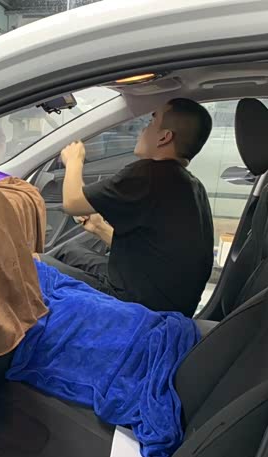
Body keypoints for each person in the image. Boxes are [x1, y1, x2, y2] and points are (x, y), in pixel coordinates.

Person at [38, 98, 214, 317]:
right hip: (161, 299)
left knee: (34, 265)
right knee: (69, 251)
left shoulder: (150, 174)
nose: (143, 129)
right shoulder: (191, 186)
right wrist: (99, 227)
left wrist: (74, 160)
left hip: (137, 307)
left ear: (164, 137)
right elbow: (153, 253)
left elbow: (72, 203)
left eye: (151, 122)